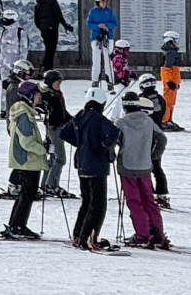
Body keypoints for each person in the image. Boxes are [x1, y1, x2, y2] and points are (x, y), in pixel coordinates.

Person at [59, 87, 117, 250]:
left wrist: (81, 144)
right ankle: (89, 237)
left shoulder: (79, 116)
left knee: (86, 201)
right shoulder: (98, 118)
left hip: (82, 164)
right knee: (98, 204)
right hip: (97, 165)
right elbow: (114, 133)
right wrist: (102, 146)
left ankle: (78, 235)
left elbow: (63, 133)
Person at [116, 89, 169, 248]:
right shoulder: (148, 121)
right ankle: (157, 233)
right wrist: (152, 156)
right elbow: (162, 139)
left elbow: (113, 140)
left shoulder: (121, 123)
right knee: (149, 200)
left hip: (127, 167)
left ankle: (142, 234)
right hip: (145, 167)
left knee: (134, 202)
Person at [1, 79, 47, 239]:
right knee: (28, 193)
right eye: (37, 95)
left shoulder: (24, 112)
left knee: (26, 193)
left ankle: (16, 224)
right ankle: (18, 225)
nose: (39, 99)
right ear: (29, 96)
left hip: (27, 159)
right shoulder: (24, 115)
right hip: (28, 160)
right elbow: (26, 141)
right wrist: (43, 149)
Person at [133, 74, 170, 208]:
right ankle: (162, 193)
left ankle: (147, 194)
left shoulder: (141, 100)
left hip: (144, 136)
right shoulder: (160, 99)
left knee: (143, 167)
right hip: (157, 135)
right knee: (157, 167)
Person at [38, 70, 75, 198]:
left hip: (59, 128)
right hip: (54, 130)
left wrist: (73, 120)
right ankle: (51, 185)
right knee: (59, 158)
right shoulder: (48, 95)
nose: (59, 84)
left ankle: (46, 184)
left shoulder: (57, 94)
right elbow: (48, 111)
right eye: (56, 82)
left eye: (60, 82)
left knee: (53, 157)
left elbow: (62, 112)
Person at [32, 0, 70, 71]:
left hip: (43, 28)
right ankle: (48, 69)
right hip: (52, 27)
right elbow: (58, 15)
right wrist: (66, 26)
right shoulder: (52, 2)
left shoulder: (38, 5)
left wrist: (41, 27)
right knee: (51, 49)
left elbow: (36, 20)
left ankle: (45, 67)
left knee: (48, 48)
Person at [85, 0, 117, 86]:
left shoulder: (109, 11)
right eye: (102, 1)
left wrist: (106, 25)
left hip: (108, 37)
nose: (104, 3)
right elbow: (88, 24)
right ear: (98, 1)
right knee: (96, 60)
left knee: (109, 59)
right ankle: (95, 80)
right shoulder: (93, 12)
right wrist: (98, 26)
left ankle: (110, 80)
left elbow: (114, 23)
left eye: (105, 1)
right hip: (96, 37)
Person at [157, 31, 182, 131]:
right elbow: (167, 68)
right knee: (167, 100)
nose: (177, 43)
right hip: (170, 78)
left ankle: (169, 119)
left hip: (173, 78)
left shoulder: (173, 51)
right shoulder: (170, 52)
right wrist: (169, 81)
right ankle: (164, 120)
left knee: (172, 101)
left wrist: (176, 81)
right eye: (176, 40)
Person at [0, 10, 30, 79]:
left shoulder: (20, 32)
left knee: (14, 87)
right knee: (5, 87)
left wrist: (21, 66)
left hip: (15, 67)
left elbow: (24, 50)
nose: (3, 21)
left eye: (5, 19)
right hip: (3, 66)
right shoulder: (2, 31)